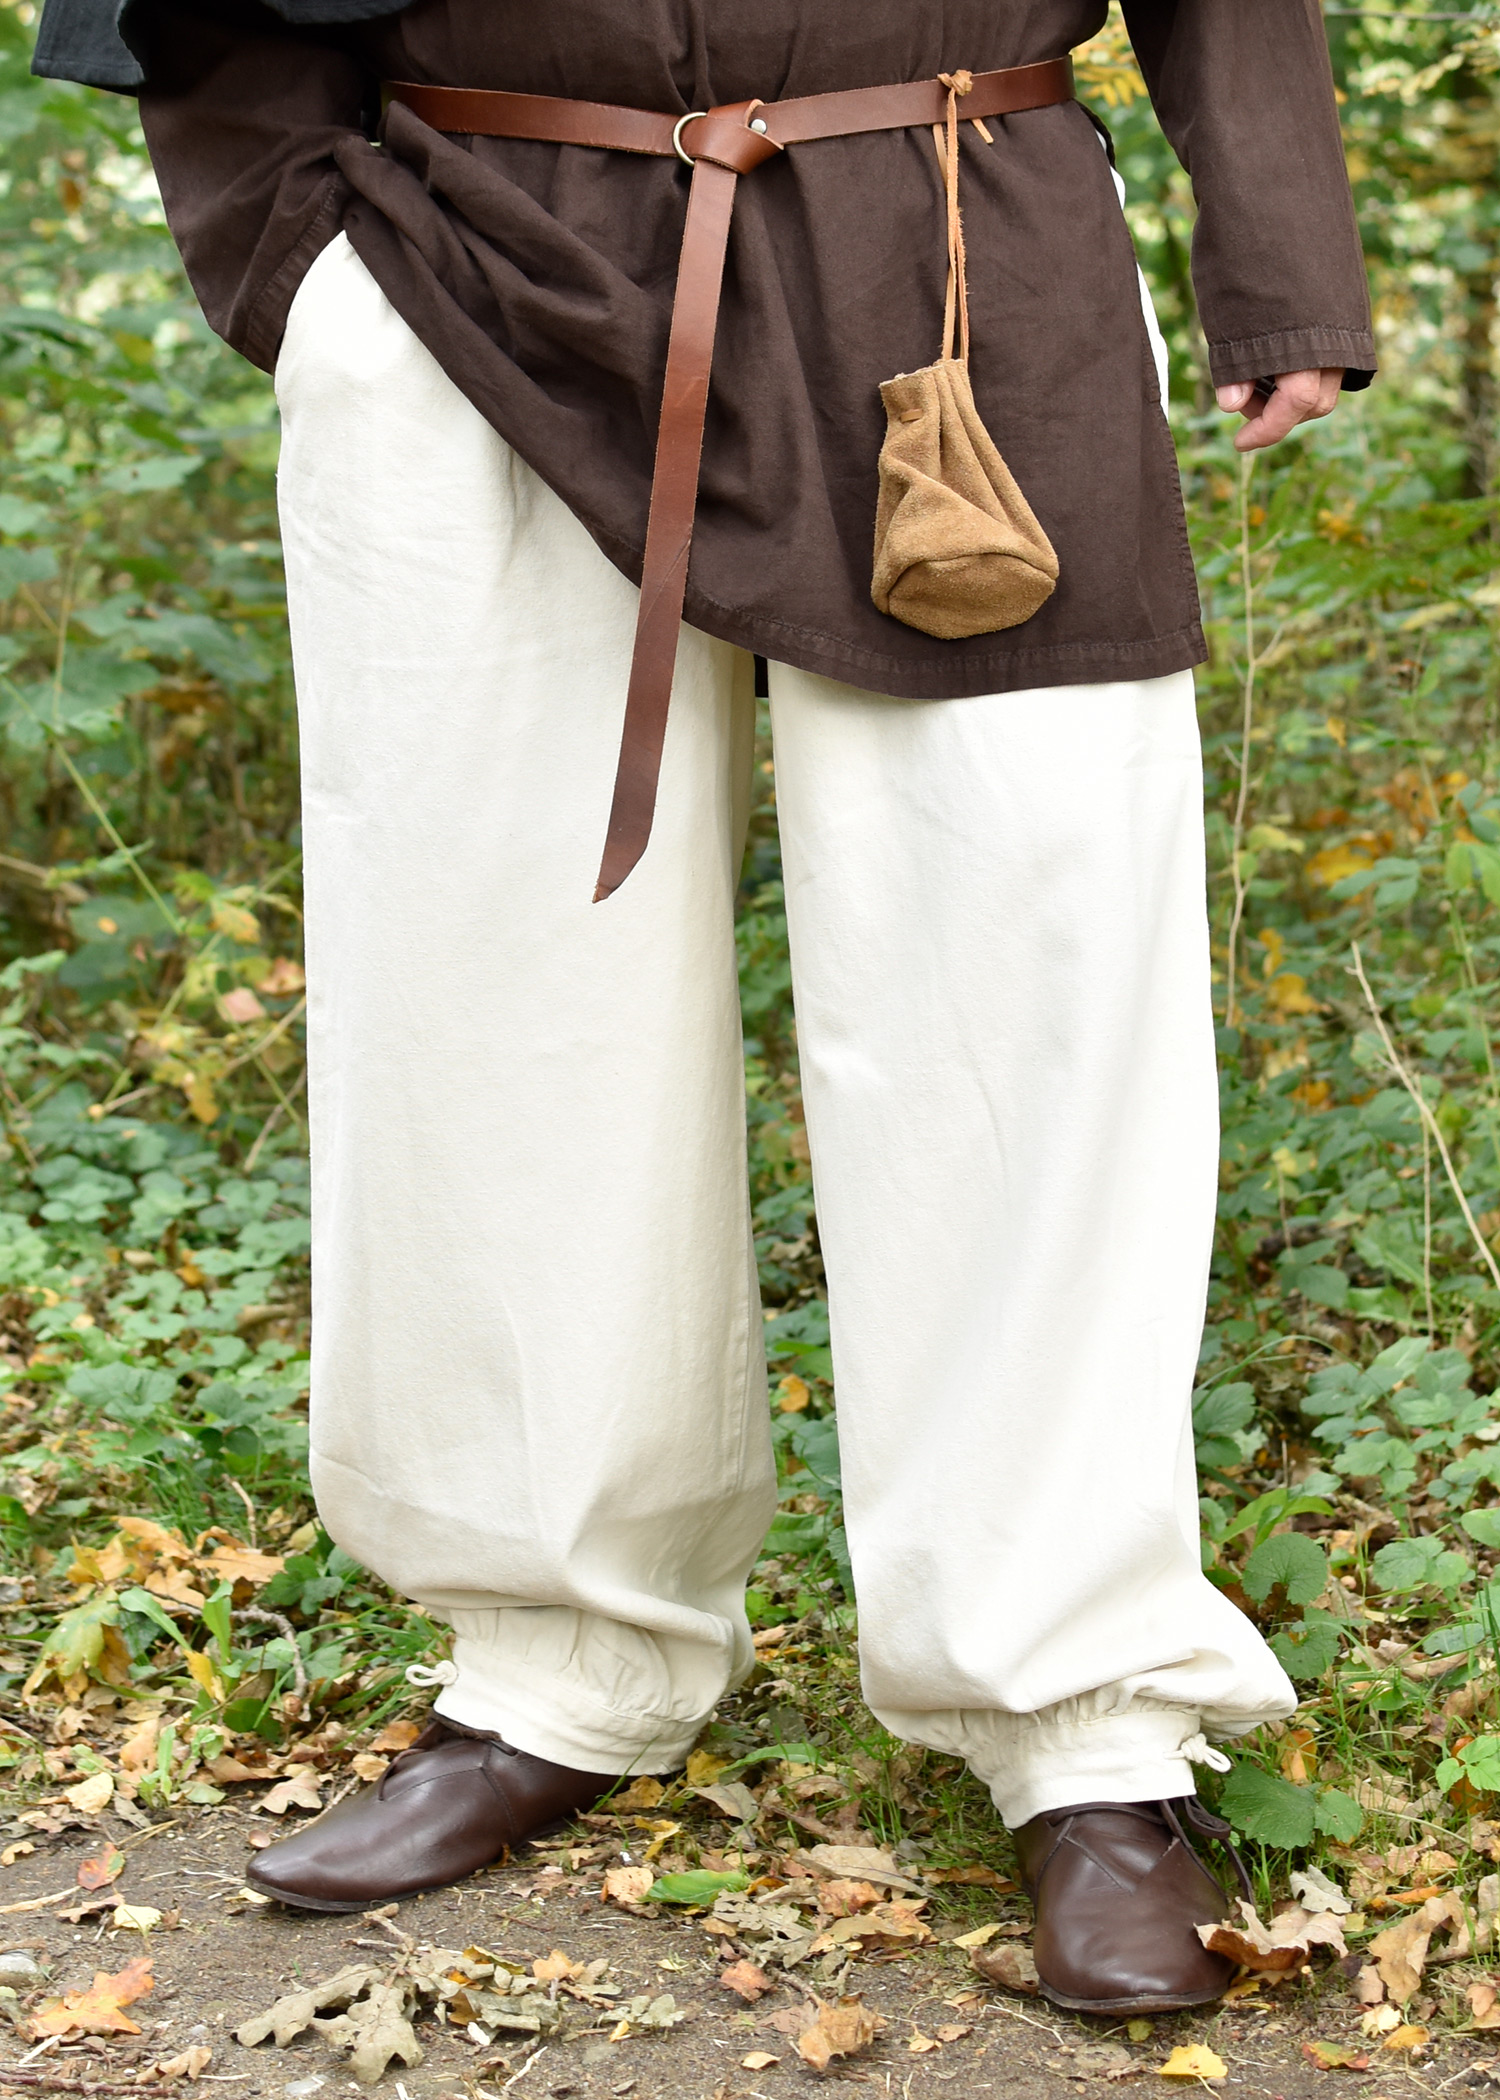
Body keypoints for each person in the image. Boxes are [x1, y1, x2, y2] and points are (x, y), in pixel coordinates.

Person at [35, 0, 1374, 2014]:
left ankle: (1081, 1710)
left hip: (959, 246)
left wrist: (1279, 240)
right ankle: (554, 1654)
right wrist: (299, 253)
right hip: (471, 251)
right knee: (488, 999)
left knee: (1026, 987)